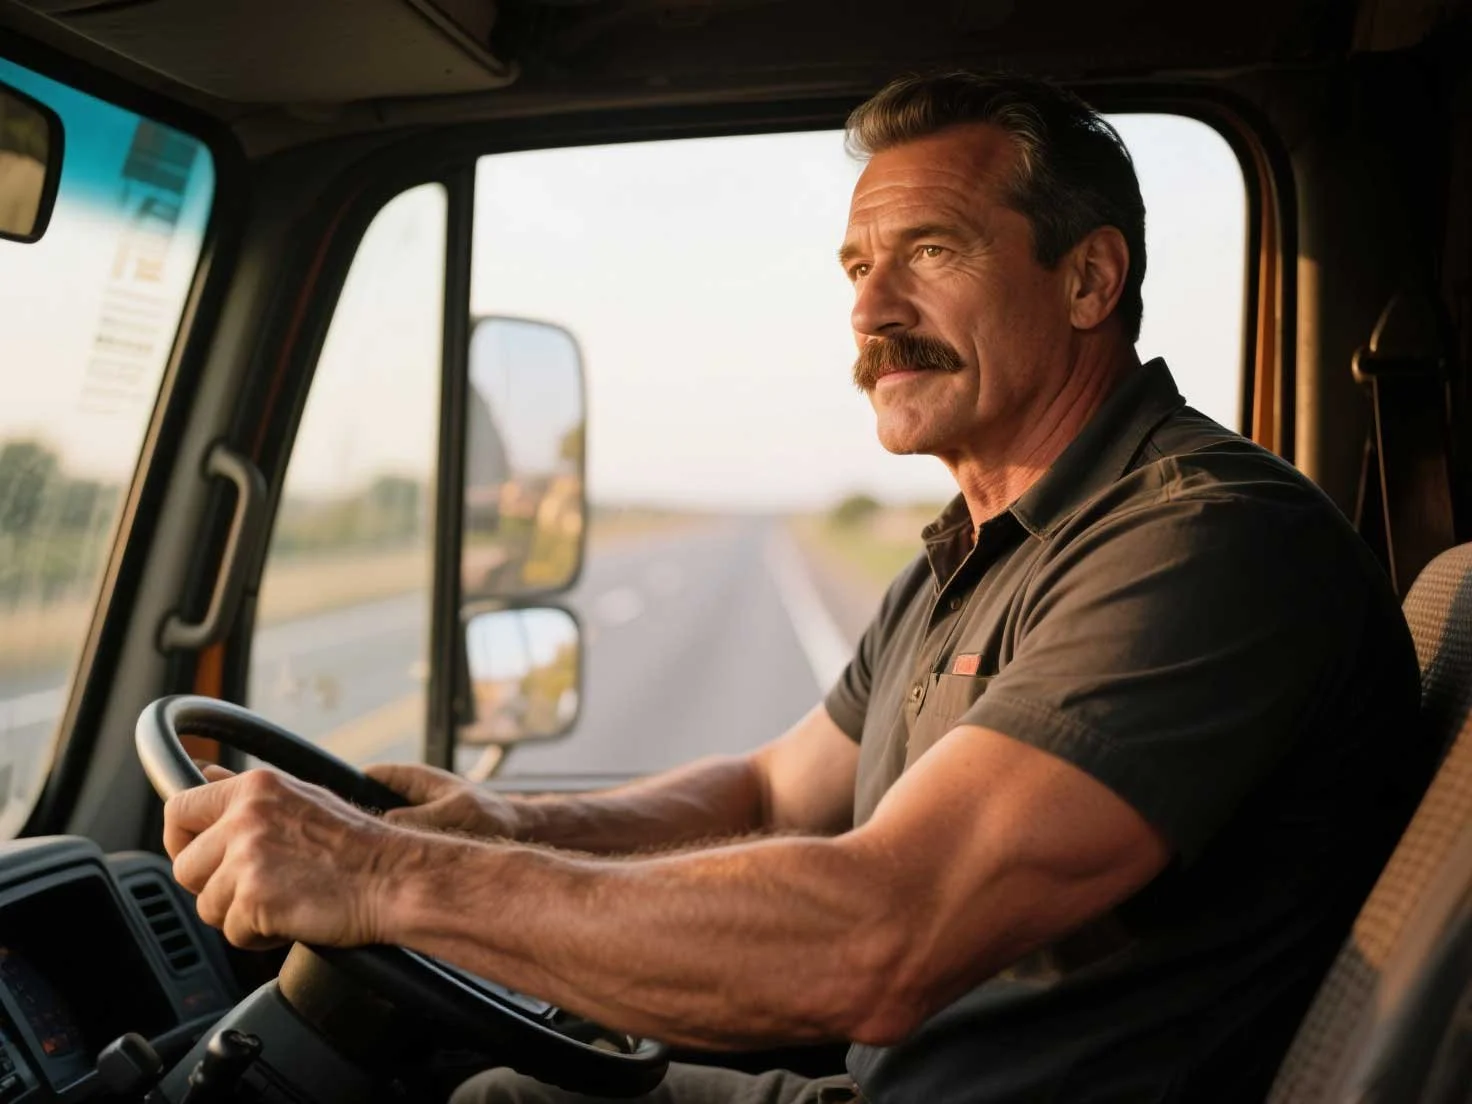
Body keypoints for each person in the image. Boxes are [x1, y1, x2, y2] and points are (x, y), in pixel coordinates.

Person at [163, 72, 1434, 1103]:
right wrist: (501, 828)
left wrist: (384, 877)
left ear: (1088, 279)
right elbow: (774, 789)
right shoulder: (973, 551)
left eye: (928, 250)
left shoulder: (1204, 545)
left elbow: (880, 937)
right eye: (853, 269)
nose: (870, 311)